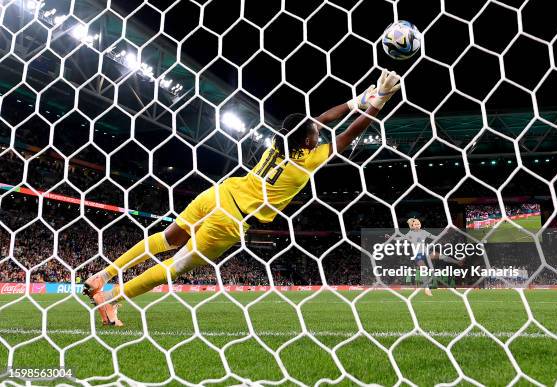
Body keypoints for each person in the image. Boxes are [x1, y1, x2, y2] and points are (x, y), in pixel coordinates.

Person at [84, 69, 402, 326]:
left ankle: (104, 275)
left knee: (166, 238)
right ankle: (111, 301)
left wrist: (359, 99)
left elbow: (321, 119)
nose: (318, 131)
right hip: (232, 220)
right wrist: (379, 102)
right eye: (313, 134)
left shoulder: (277, 145)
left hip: (219, 193)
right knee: (175, 265)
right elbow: (349, 133)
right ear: (306, 141)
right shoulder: (307, 163)